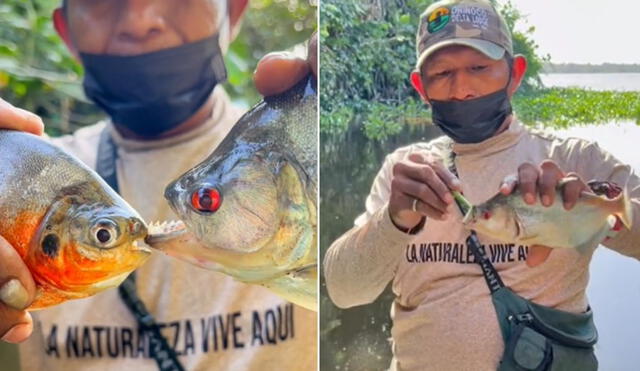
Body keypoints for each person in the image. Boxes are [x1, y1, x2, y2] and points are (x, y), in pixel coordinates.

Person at [323, 0, 640, 370]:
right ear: (420, 87)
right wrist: (392, 221)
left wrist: (598, 216)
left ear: (514, 73)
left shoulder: (575, 158)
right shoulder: (404, 170)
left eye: (479, 68)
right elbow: (345, 291)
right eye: (442, 74)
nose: (462, 90)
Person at [0, 0, 317, 369]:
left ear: (233, 11)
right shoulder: (20, 180)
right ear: (66, 31)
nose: (140, 19)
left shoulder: (316, 146)